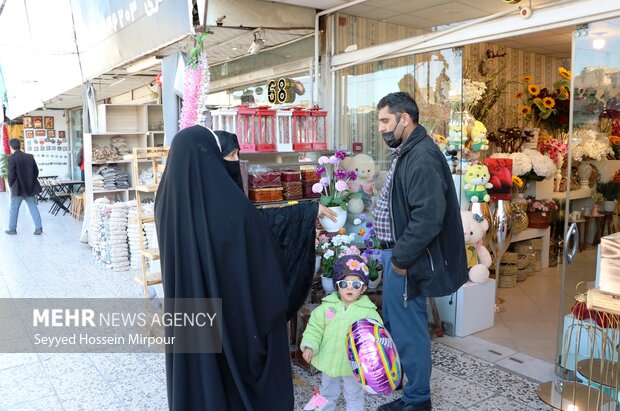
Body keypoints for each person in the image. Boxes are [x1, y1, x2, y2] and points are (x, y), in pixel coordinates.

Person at [154, 125, 335, 410]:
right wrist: (307, 212)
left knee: (200, 370)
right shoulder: (222, 204)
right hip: (228, 311)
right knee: (231, 368)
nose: (232, 161)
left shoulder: (167, 199)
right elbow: (254, 229)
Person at [374, 92, 468, 411]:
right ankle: (412, 392)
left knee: (409, 329)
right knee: (400, 325)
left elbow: (428, 216)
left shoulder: (421, 155)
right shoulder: (409, 151)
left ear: (404, 119)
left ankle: (417, 401)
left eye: (385, 120)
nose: (381, 128)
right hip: (399, 255)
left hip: (406, 259)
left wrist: (400, 259)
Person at [300, 255, 382, 411]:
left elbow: (377, 338)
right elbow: (315, 328)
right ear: (337, 286)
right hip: (328, 360)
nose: (349, 288)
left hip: (353, 365)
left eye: (356, 284)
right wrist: (310, 346)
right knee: (326, 392)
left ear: (363, 288)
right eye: (344, 284)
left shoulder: (369, 313)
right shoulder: (326, 307)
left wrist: (374, 364)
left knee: (354, 394)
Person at [5, 138, 43, 235]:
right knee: (33, 207)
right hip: (30, 188)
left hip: (17, 189)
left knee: (14, 209)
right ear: (19, 146)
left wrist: (10, 184)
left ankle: (12, 229)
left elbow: (11, 175)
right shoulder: (30, 157)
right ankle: (39, 228)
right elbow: (36, 172)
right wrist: (31, 181)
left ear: (11, 147)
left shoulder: (11, 158)